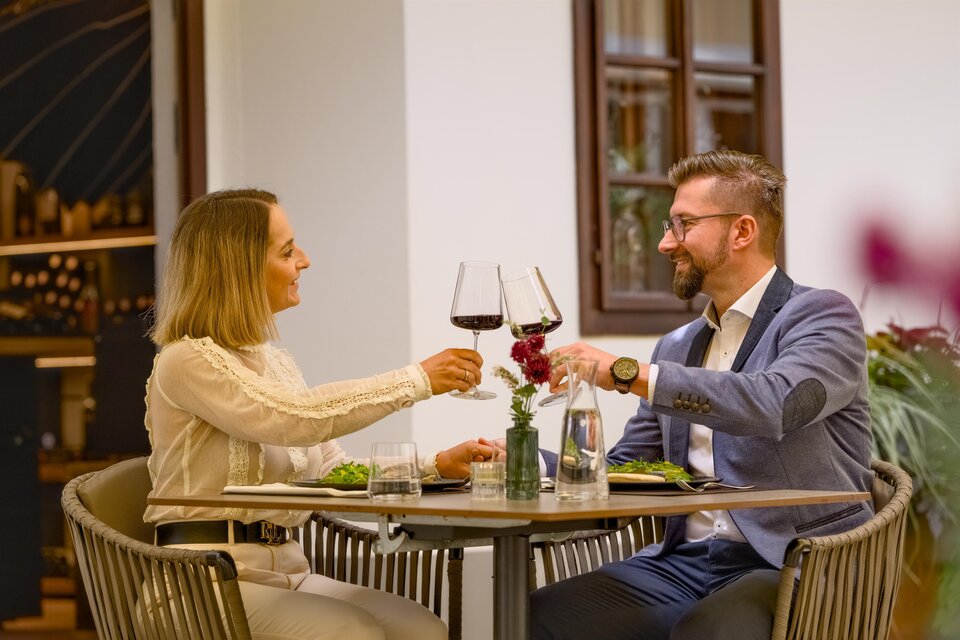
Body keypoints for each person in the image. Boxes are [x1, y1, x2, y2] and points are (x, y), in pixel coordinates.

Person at [528, 150, 874, 640]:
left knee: (707, 630)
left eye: (682, 224)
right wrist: (530, 462)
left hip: (797, 561)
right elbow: (629, 467)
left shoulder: (822, 316)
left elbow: (778, 403)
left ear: (742, 231)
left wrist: (629, 373)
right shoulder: (677, 345)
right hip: (683, 564)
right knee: (539, 615)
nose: (665, 243)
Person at [144, 188, 493, 640]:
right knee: (351, 632)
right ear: (241, 265)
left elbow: (332, 468)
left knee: (421, 628)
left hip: (288, 572)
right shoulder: (186, 360)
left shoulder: (274, 362)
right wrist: (416, 380)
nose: (305, 260)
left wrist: (435, 466)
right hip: (202, 584)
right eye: (288, 251)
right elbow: (294, 418)